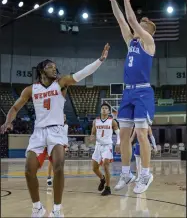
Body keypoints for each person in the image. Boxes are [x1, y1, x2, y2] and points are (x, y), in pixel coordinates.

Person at [0, 43, 110, 217]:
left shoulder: (61, 83)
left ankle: (57, 210)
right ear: (42, 70)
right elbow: (14, 108)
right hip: (38, 132)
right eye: (50, 67)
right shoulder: (31, 89)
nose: (54, 69)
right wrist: (7, 122)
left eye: (55, 67)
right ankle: (37, 207)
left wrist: (100, 60)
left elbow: (80, 75)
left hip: (57, 131)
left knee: (58, 167)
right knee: (29, 171)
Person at [103, 0, 156, 194]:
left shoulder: (149, 43)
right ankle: (126, 173)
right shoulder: (131, 42)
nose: (138, 24)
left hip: (143, 92)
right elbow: (122, 21)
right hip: (128, 92)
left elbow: (132, 21)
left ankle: (145, 174)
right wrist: (113, 0)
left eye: (143, 25)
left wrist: (127, 1)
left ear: (148, 31)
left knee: (142, 134)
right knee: (123, 135)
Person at [90, 103, 120, 196]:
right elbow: (93, 133)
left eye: (106, 108)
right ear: (100, 110)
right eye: (102, 108)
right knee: (94, 168)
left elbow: (118, 134)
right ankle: (102, 179)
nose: (104, 109)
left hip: (108, 146)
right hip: (98, 146)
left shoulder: (113, 121)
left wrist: (118, 144)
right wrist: (92, 137)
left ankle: (108, 188)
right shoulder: (96, 121)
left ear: (109, 111)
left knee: (106, 165)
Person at [47, 113, 68, 187]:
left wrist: (66, 146)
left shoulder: (66, 126)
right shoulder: (54, 125)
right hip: (53, 144)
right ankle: (49, 177)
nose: (64, 118)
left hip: (62, 144)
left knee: (60, 163)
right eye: (63, 116)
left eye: (65, 117)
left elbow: (65, 136)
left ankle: (57, 177)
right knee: (51, 162)